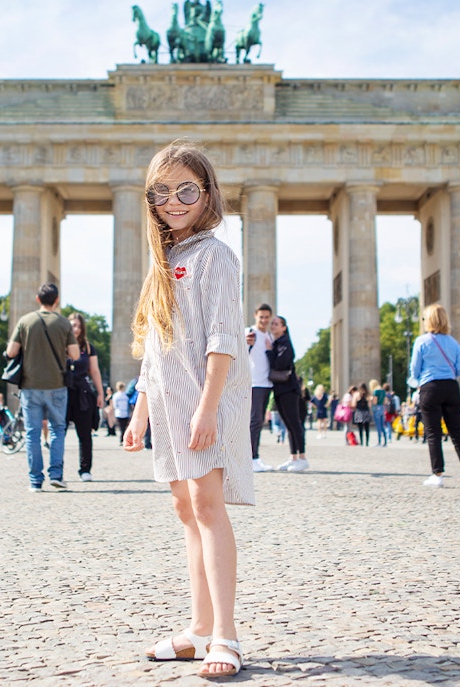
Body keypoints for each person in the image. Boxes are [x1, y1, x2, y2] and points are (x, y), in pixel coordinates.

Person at [125, 141, 250, 679]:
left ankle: (226, 635)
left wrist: (207, 407)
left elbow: (223, 339)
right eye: (162, 191)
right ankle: (198, 629)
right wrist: (140, 411)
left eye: (186, 190)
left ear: (207, 194)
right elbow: (155, 349)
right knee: (186, 509)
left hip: (205, 400)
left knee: (208, 506)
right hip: (172, 403)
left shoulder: (215, 255)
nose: (174, 201)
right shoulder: (164, 261)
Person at [6, 282, 79, 492]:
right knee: (57, 429)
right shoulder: (64, 323)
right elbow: (74, 355)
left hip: (30, 385)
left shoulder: (25, 321)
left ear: (38, 299)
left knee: (32, 433)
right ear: (57, 300)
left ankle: (35, 481)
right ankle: (56, 474)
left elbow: (11, 352)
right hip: (56, 385)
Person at [408, 304, 460, 487]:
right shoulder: (454, 343)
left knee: (433, 433)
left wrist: (417, 383)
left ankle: (437, 475)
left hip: (430, 387)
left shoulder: (422, 342)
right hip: (452, 387)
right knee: (457, 432)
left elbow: (414, 370)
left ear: (428, 321)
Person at [266, 314, 307, 472]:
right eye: (273, 323)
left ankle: (302, 457)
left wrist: (269, 352)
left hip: (289, 389)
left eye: (276, 323)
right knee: (288, 425)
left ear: (284, 327)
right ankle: (293, 457)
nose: (273, 325)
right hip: (280, 389)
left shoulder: (285, 343)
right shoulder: (277, 342)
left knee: (294, 424)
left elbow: (280, 363)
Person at [67, 312, 104, 482]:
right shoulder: (61, 345)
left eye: (79, 326)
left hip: (82, 393)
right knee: (58, 432)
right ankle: (56, 469)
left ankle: (85, 469)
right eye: (73, 325)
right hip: (64, 391)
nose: (76, 329)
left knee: (85, 434)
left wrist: (100, 393)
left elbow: (94, 371)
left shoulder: (88, 347)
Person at [245, 303, 275, 472]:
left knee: (259, 422)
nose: (264, 320)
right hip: (253, 383)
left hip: (266, 384)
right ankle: (251, 458)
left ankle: (255, 456)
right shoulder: (249, 332)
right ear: (255, 316)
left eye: (266, 317)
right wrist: (245, 343)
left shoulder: (269, 336)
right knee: (254, 422)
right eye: (261, 317)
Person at [370, 379, 389, 447]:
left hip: (376, 408)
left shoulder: (375, 391)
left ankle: (379, 442)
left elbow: (375, 402)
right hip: (382, 408)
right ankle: (385, 442)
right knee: (382, 426)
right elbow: (385, 401)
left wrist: (371, 400)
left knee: (378, 426)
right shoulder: (383, 391)